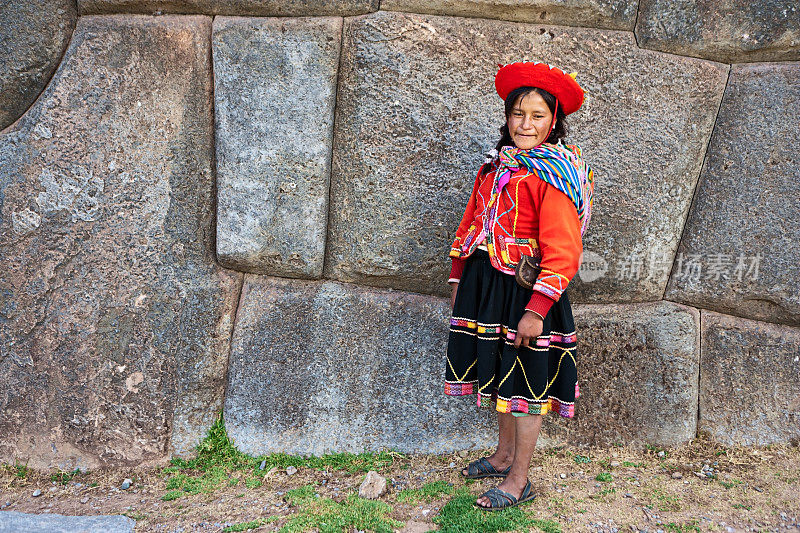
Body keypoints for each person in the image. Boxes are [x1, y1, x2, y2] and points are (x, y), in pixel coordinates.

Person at [445, 61, 594, 511]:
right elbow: (472, 221)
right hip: (488, 286)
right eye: (517, 114)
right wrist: (459, 278)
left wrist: (538, 308)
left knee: (526, 385)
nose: (525, 125)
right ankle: (503, 454)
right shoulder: (495, 168)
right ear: (507, 117)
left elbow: (564, 250)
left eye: (537, 116)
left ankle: (520, 479)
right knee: (499, 373)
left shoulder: (553, 176)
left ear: (554, 122)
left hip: (528, 294)